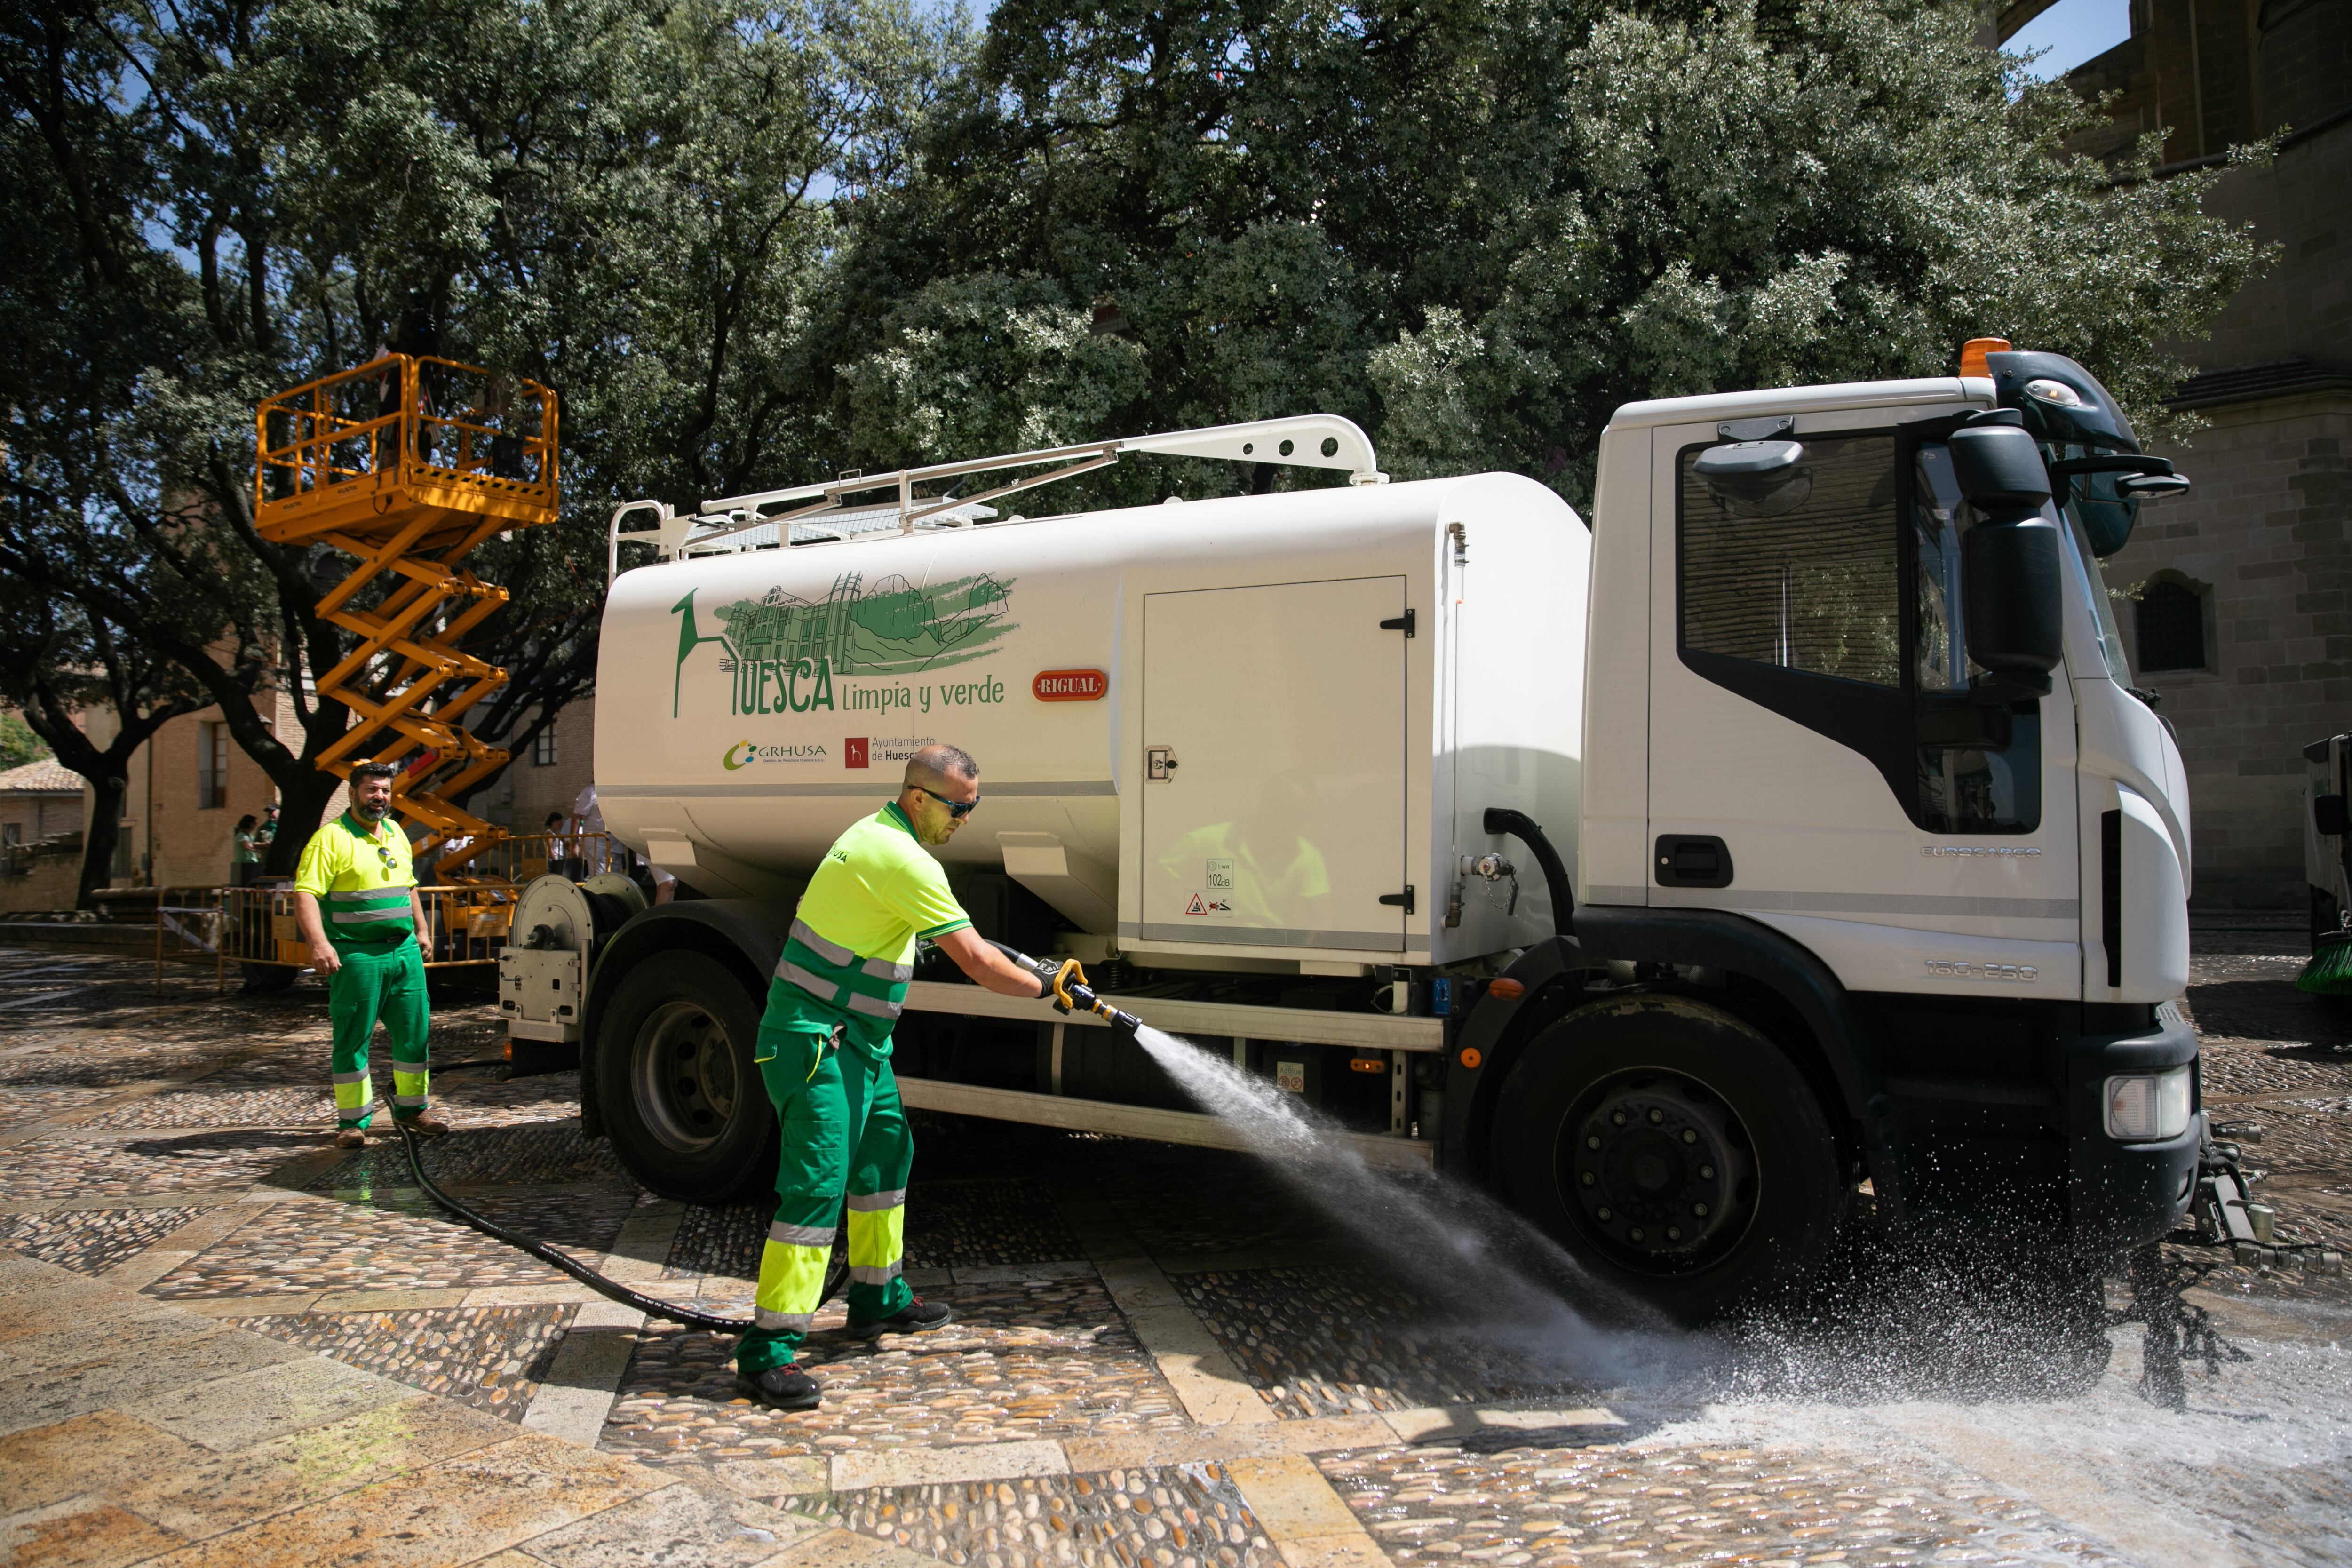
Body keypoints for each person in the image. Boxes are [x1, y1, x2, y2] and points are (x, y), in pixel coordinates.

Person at [736, 744, 1049, 1411]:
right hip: (816, 1043)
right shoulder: (902, 857)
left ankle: (876, 1297)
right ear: (918, 797)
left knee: (884, 1158)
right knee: (817, 1187)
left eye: (973, 806)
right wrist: (1047, 991)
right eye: (958, 806)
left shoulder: (880, 835)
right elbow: (980, 965)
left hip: (859, 1043)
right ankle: (767, 1349)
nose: (965, 818)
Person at [292, 761, 449, 1149]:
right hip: (357, 955)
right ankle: (353, 1122)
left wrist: (422, 930)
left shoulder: (395, 831)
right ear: (353, 793)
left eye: (385, 790)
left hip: (403, 953)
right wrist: (319, 944)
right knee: (352, 1038)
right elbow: (306, 893)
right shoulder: (329, 839)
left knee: (415, 1036)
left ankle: (413, 1110)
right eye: (371, 790)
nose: (379, 797)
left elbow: (409, 885)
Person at [231, 815, 264, 887]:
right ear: (250, 824)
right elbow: (248, 846)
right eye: (254, 823)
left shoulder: (250, 836)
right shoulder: (242, 836)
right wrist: (262, 847)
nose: (256, 825)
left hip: (252, 865)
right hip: (244, 866)